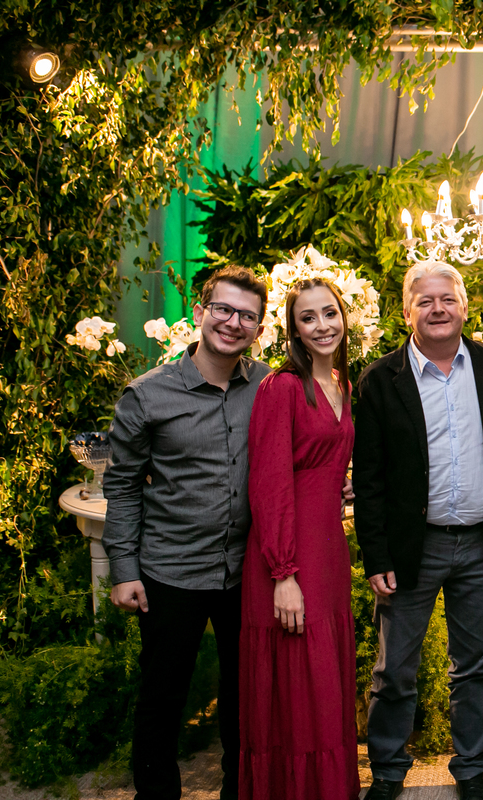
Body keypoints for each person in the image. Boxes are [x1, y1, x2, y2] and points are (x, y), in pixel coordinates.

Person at [354, 261, 483, 800]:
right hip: (412, 548)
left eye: (447, 299)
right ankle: (387, 771)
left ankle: (471, 769)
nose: (438, 309)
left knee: (474, 669)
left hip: (481, 545)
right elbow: (369, 479)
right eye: (425, 301)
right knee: (394, 669)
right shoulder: (380, 380)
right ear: (407, 312)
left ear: (464, 307)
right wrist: (376, 555)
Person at [103, 266, 270, 800]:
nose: (233, 322)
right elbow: (122, 486)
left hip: (247, 572)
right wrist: (124, 570)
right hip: (170, 570)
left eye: (247, 315)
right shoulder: (147, 395)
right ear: (199, 312)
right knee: (162, 697)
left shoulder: (269, 386)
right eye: (223, 309)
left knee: (245, 698)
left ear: (259, 328)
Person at [239, 277, 360, 798]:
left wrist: (343, 479)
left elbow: (322, 459)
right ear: (293, 330)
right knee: (295, 683)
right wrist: (283, 574)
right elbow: (269, 483)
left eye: (329, 313)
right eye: (308, 318)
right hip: (287, 552)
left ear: (344, 318)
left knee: (324, 682)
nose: (322, 325)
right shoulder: (282, 387)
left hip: (328, 547)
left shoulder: (340, 384)